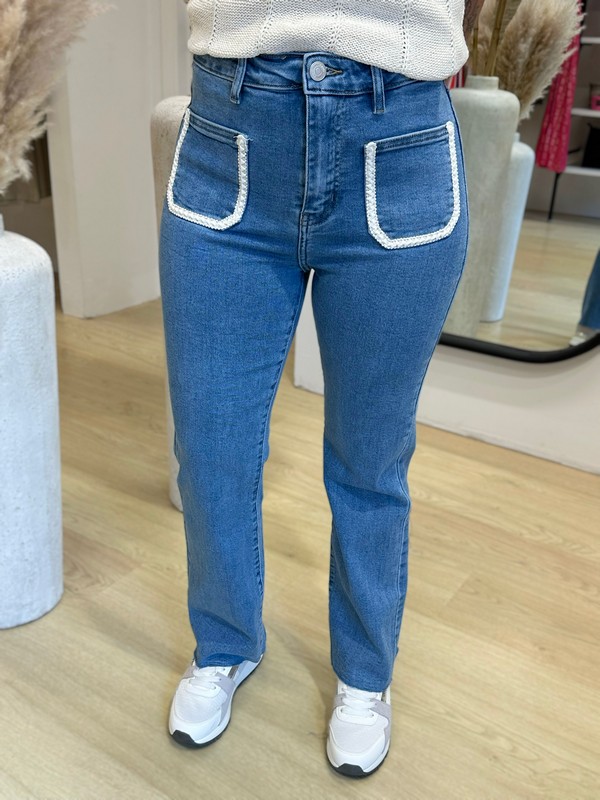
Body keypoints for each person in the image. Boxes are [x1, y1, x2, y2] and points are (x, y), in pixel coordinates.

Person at [161, 0, 479, 778]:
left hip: (397, 134)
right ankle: (225, 643)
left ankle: (366, 674)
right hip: (233, 129)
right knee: (210, 447)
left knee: (371, 459)